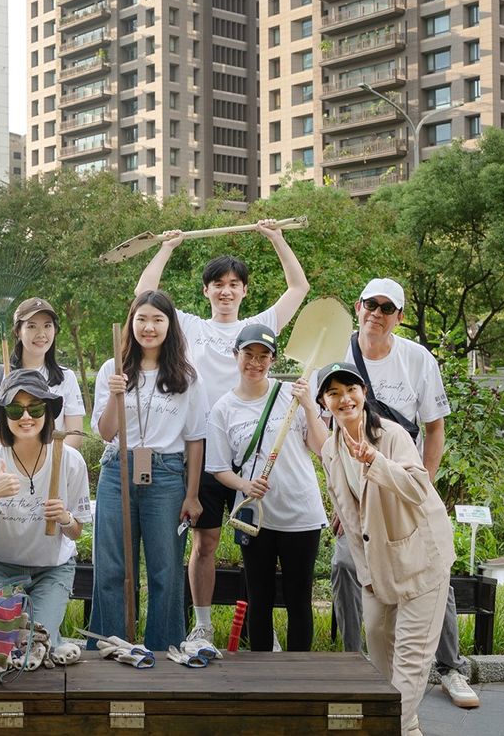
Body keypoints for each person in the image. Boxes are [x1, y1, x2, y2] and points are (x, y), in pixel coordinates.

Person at [135, 220, 309, 647]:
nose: (226, 291)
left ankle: (261, 633)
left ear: (244, 291)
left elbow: (298, 288)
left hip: (250, 457)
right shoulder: (191, 327)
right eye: (218, 284)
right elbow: (145, 297)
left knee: (261, 544)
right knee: (206, 543)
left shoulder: (258, 326)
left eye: (234, 284)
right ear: (207, 291)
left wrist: (277, 238)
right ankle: (204, 625)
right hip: (203, 454)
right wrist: (168, 246)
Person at [328, 277, 479, 710]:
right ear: (357, 307)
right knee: (344, 564)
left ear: (399, 316)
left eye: (386, 307)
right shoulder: (338, 355)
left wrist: (424, 488)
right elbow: (324, 437)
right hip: (357, 491)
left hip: (403, 484)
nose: (376, 313)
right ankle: (352, 663)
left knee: (432, 572)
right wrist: (341, 502)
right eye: (369, 304)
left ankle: (449, 668)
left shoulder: (417, 359)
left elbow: (434, 429)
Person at [316, 361, 455, 736]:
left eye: (350, 389)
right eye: (333, 393)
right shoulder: (331, 450)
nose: (344, 399)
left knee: (409, 662)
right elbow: (352, 518)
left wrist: (375, 461)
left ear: (364, 393)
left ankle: (384, 728)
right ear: (323, 403)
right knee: (378, 653)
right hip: (378, 567)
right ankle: (405, 727)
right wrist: (367, 577)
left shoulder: (391, 435)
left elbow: (417, 488)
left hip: (421, 561)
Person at [90, 290, 208, 651]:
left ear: (170, 325)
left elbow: (195, 439)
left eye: (158, 319)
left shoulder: (186, 376)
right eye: (141, 318)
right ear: (131, 322)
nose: (149, 327)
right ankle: (112, 645)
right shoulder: (112, 369)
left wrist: (192, 494)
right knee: (110, 565)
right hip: (116, 470)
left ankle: (164, 647)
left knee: (165, 569)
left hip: (167, 474)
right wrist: (114, 395)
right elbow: (106, 432)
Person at [204, 324, 328, 652]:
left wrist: (309, 408)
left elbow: (321, 447)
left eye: (264, 356)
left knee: (299, 598)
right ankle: (261, 679)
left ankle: (298, 677)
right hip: (255, 517)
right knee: (259, 598)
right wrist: (244, 484)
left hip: (301, 512)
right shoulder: (223, 409)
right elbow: (218, 468)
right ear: (236, 355)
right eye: (249, 354)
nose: (255, 363)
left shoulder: (291, 395)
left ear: (272, 360)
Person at [0, 369, 91, 655]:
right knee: (5, 648)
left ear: (47, 412)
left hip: (52, 568)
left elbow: (77, 532)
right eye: (14, 409)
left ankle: (53, 643)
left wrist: (65, 518)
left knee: (37, 643)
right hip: (0, 566)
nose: (25, 417)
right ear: (2, 416)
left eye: (34, 408)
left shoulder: (70, 461)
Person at [0, 297, 86, 449]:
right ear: (18, 332)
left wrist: (47, 460)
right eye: (31, 326)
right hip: (5, 467)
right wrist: (5, 431)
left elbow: (74, 436)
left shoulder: (66, 378)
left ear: (55, 331)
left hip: (49, 468)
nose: (41, 333)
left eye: (47, 326)